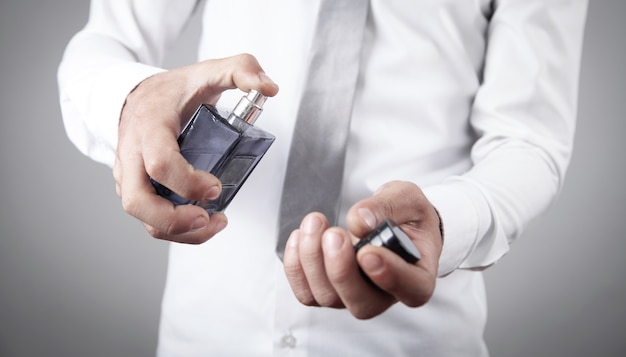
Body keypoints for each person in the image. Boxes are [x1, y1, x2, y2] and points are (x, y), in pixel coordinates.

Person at [57, 0, 588, 355]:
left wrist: (446, 223)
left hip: (410, 340)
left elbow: (530, 140)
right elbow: (103, 43)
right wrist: (131, 101)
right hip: (206, 334)